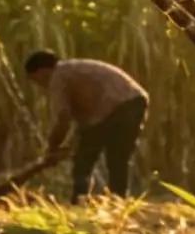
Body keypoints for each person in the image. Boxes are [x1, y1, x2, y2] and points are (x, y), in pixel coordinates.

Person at [24, 51, 149, 202]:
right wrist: (68, 145)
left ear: (41, 71)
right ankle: (118, 200)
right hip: (135, 100)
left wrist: (51, 147)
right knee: (118, 157)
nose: (39, 85)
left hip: (118, 106)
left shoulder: (58, 76)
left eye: (35, 80)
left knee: (85, 160)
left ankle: (80, 200)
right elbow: (83, 124)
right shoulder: (73, 70)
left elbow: (63, 118)